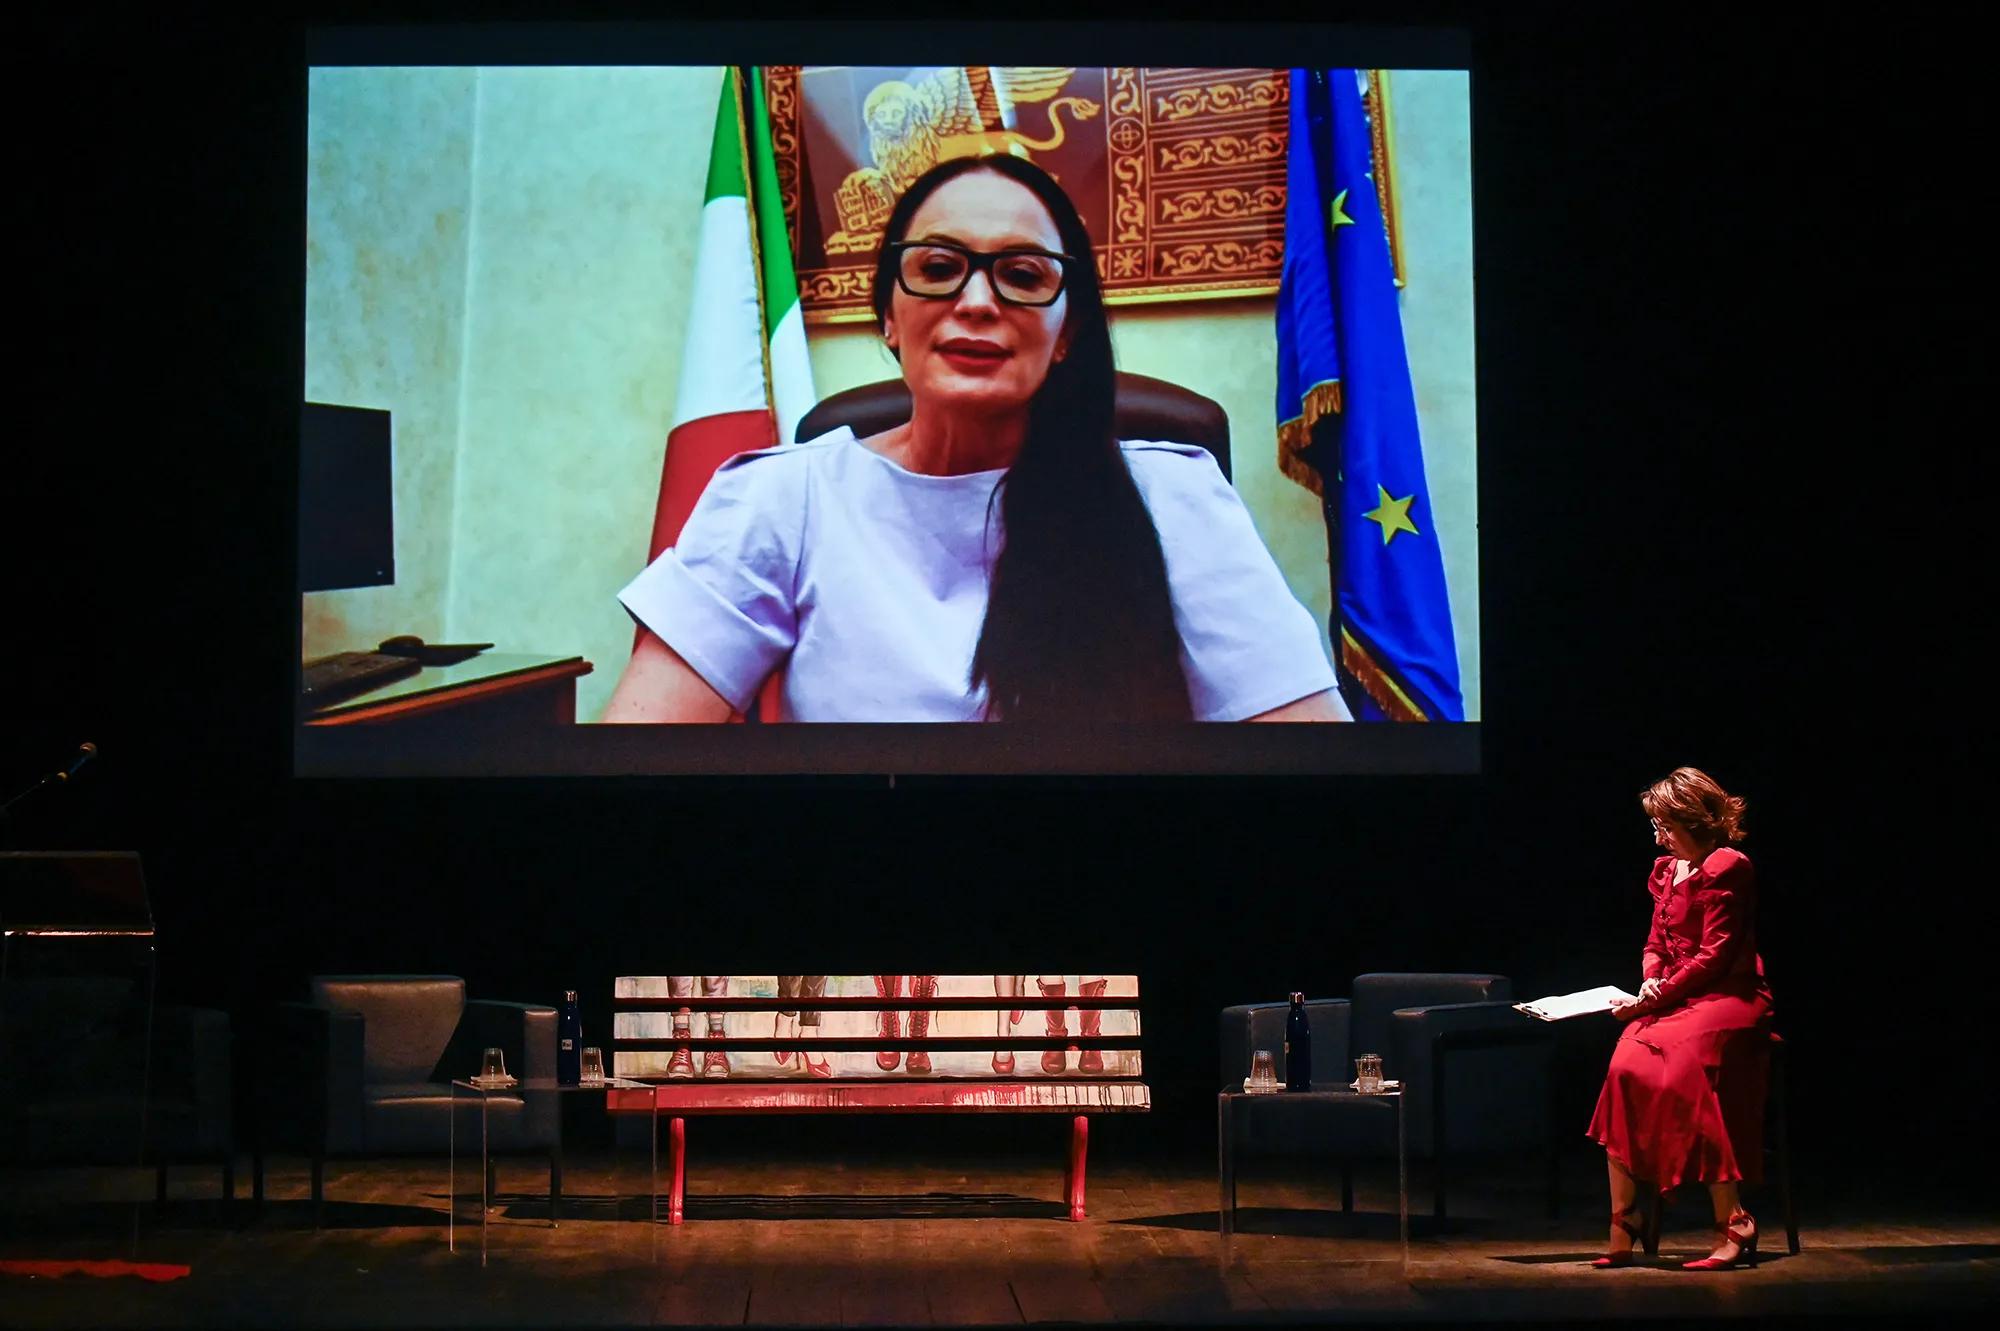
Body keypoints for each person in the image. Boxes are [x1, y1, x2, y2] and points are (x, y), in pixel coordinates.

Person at [604, 152, 1349, 724]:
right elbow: (636, 755)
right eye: (939, 267)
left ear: (1067, 332)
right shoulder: (782, 497)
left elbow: (1308, 755)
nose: (977, 301)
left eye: (1022, 275)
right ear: (888, 316)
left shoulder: (1174, 496)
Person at [1588, 767, 1774, 1270]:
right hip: (1678, 997)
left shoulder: (1727, 866)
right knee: (1625, 1065)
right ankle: (1625, 1217)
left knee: (1684, 1069)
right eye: (1657, 827)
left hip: (1731, 996)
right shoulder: (1668, 871)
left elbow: (1715, 956)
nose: (1659, 838)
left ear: (1697, 822)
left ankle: (1733, 1218)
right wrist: (1651, 980)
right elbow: (1655, 943)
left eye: (1666, 827)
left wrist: (1653, 1000)